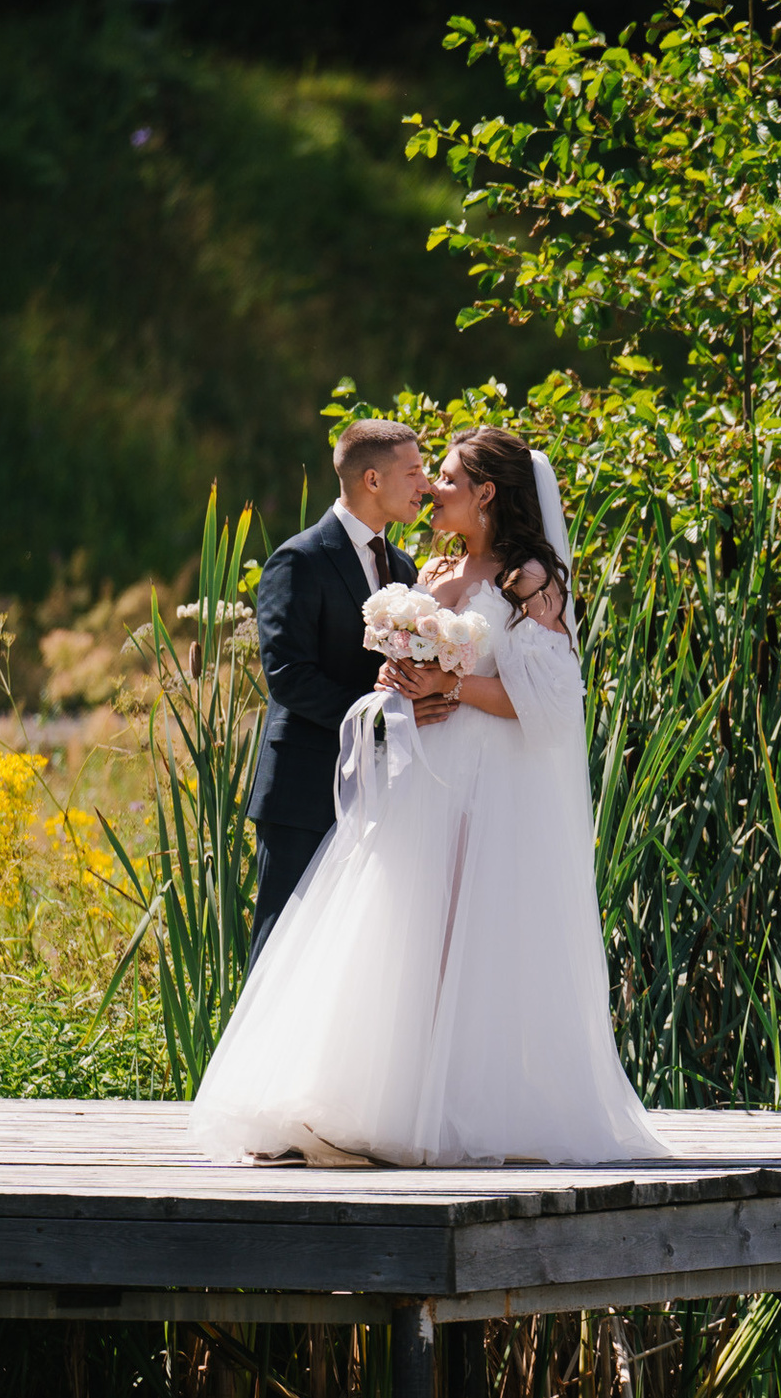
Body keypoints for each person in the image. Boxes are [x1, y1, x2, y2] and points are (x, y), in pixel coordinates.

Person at [193, 425, 670, 1168]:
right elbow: (379, 668)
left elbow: (550, 704)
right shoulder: (434, 569)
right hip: (418, 780)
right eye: (428, 475)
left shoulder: (528, 579)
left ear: (486, 492)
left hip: (488, 783)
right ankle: (364, 1104)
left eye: (444, 477)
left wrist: (451, 684)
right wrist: (396, 681)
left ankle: (454, 1113)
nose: (432, 490)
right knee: (397, 930)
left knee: (465, 940)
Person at [242, 418, 425, 963]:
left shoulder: (404, 566)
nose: (425, 485)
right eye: (414, 471)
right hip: (305, 791)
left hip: (378, 797)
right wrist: (379, 717)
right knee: (281, 955)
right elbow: (287, 675)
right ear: (373, 479)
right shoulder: (299, 559)